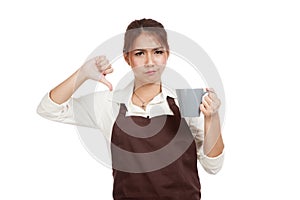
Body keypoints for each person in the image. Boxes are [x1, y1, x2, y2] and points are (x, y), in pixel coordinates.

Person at [37, 18, 224, 200]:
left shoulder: (187, 101)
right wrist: (83, 74)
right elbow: (48, 109)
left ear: (167, 55)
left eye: (157, 52)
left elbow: (213, 165)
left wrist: (212, 117)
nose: (150, 61)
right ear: (127, 58)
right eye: (140, 53)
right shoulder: (108, 104)